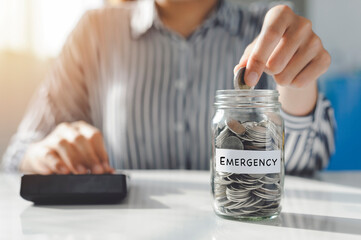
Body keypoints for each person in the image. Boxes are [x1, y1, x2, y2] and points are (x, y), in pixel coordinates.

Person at [2, 0, 335, 176]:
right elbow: (18, 152)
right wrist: (44, 153)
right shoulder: (95, 32)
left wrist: (295, 85)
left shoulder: (267, 34)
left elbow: (306, 164)